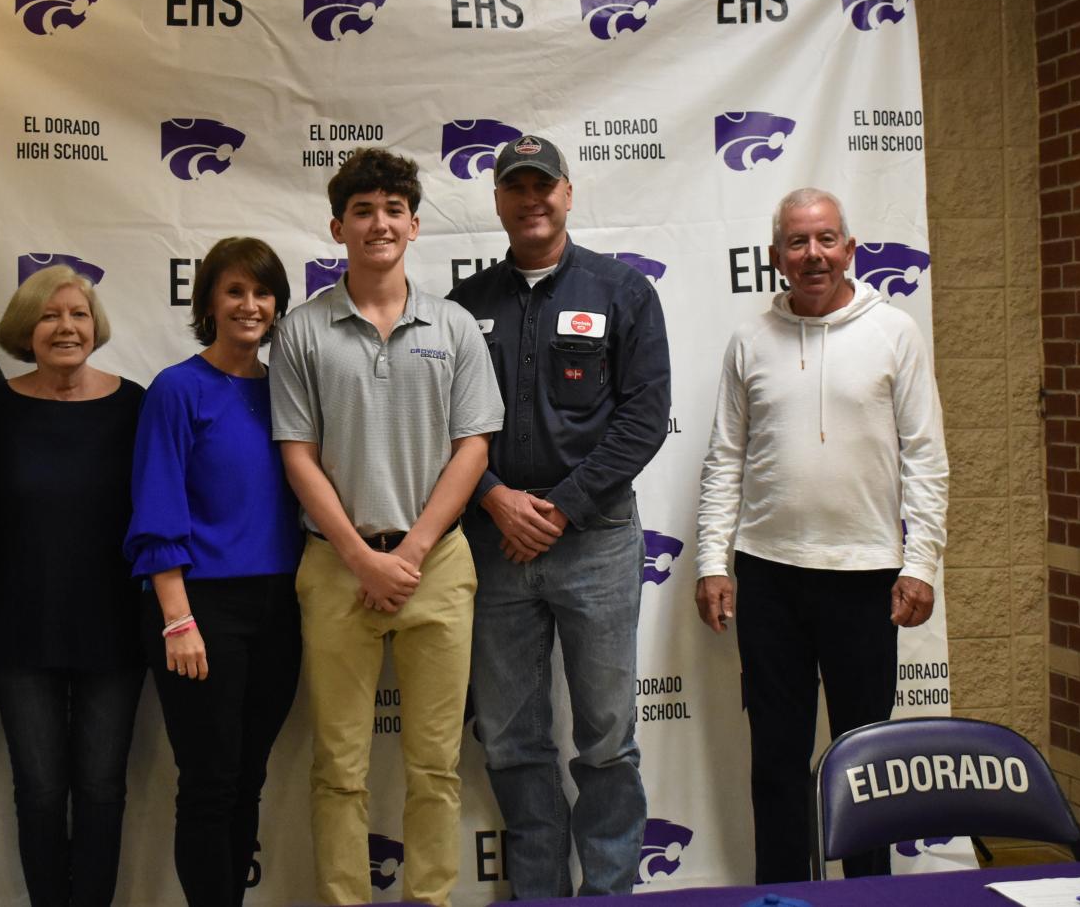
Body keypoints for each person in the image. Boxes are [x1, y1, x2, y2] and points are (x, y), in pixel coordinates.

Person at [270, 148, 504, 907]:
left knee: (435, 764)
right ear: (337, 225)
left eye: (393, 209)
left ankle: (428, 900)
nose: (379, 222)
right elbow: (297, 456)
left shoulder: (456, 325)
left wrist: (408, 551)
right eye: (363, 210)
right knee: (339, 767)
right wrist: (361, 558)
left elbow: (473, 448)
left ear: (413, 223)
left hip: (434, 565)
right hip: (336, 566)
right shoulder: (303, 331)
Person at [694, 187, 948, 883]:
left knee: (865, 765)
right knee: (775, 759)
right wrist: (712, 563)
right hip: (769, 574)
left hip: (867, 574)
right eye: (798, 243)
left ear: (849, 250)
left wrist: (919, 561)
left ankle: (866, 898)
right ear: (776, 256)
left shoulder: (893, 331)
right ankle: (782, 896)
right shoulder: (749, 341)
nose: (813, 255)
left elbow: (924, 455)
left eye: (826, 240)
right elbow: (724, 458)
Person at [449, 134, 671, 899]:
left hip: (597, 540)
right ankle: (538, 893)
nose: (532, 198)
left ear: (568, 195)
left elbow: (644, 418)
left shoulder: (623, 292)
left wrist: (562, 508)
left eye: (545, 185)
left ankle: (608, 893)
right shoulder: (463, 307)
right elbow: (446, 427)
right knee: (511, 739)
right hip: (492, 540)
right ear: (499, 203)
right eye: (516, 187)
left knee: (606, 737)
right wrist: (495, 499)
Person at [124, 237, 304, 907]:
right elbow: (157, 506)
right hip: (198, 607)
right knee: (208, 781)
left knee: (248, 777)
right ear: (207, 302)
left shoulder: (288, 391)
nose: (249, 305)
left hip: (280, 608)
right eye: (234, 291)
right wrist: (178, 618)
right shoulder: (177, 389)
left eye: (261, 293)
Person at [0, 265, 144, 907]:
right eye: (49, 315)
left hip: (116, 622)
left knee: (103, 788)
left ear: (94, 324)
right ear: (26, 329)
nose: (66, 326)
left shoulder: (137, 405)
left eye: (77, 313)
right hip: (21, 623)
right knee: (40, 791)